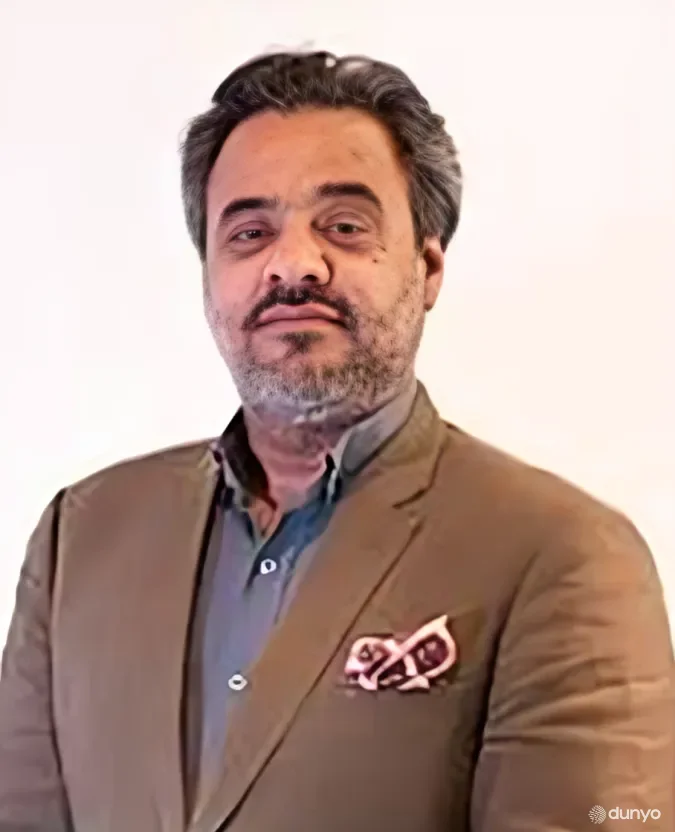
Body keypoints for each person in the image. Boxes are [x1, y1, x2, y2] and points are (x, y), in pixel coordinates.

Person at [0, 49, 673, 832]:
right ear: (208, 275)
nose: (293, 264)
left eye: (344, 227)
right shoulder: (82, 535)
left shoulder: (560, 553)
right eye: (249, 232)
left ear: (426, 269)